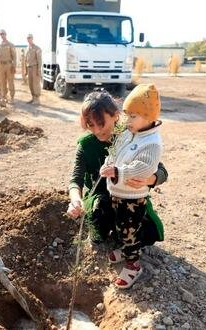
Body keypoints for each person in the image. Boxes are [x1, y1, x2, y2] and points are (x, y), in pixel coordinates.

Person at [67, 89, 167, 287]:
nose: (96, 130)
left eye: (101, 123)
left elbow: (161, 170)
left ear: (115, 116)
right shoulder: (86, 145)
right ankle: (118, 239)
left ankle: (128, 249)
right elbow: (75, 179)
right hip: (101, 198)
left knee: (147, 232)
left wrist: (150, 179)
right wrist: (75, 200)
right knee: (99, 220)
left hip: (129, 196)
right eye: (90, 125)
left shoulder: (131, 135)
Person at [99, 84, 163, 289]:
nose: (128, 121)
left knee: (130, 229)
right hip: (118, 193)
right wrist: (108, 164)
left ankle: (133, 263)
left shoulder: (151, 142)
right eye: (127, 115)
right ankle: (126, 249)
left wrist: (119, 172)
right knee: (120, 225)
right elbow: (114, 152)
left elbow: (144, 167)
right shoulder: (128, 134)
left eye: (134, 116)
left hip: (132, 198)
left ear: (150, 117)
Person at [0, 29, 16, 105]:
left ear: (6, 34)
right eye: (0, 34)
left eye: (3, 33)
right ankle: (4, 97)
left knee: (10, 82)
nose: (2, 35)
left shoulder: (10, 45)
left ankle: (12, 97)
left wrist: (14, 66)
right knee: (2, 82)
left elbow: (14, 57)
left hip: (9, 65)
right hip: (1, 65)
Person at [25, 33, 42, 105]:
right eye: (28, 38)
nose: (29, 39)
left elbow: (39, 60)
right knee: (30, 84)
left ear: (32, 38)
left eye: (30, 38)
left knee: (36, 83)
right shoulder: (27, 48)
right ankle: (33, 98)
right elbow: (26, 60)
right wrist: (26, 70)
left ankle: (37, 99)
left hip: (35, 67)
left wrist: (39, 70)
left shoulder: (37, 48)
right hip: (29, 68)